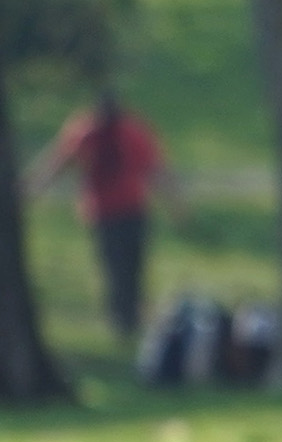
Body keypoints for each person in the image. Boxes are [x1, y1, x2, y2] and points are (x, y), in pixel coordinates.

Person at [22, 89, 172, 347]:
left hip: (113, 211)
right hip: (122, 210)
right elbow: (156, 170)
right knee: (124, 266)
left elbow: (58, 163)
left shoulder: (91, 130)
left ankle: (126, 317)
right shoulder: (127, 130)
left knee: (119, 265)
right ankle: (125, 318)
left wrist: (34, 187)